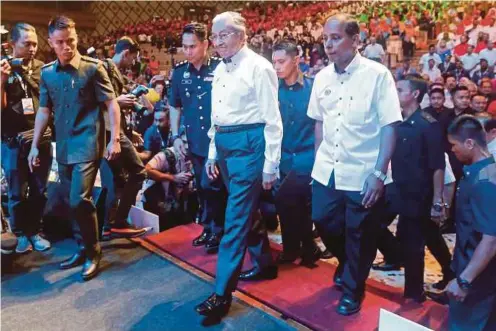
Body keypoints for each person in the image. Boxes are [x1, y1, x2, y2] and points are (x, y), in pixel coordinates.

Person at [308, 14, 402, 316]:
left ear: (355, 40)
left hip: (363, 172)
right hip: (327, 170)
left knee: (359, 234)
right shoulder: (321, 77)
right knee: (323, 221)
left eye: (335, 38)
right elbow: (319, 124)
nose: (328, 44)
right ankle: (349, 266)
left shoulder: (377, 75)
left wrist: (378, 173)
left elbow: (389, 126)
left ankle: (353, 289)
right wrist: (317, 162)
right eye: (325, 38)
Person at [195, 11, 283, 320]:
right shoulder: (219, 69)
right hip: (225, 144)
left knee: (234, 219)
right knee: (248, 212)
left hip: (249, 146)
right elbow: (216, 118)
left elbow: (273, 120)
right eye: (214, 36)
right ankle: (264, 264)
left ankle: (221, 294)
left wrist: (271, 165)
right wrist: (211, 153)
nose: (217, 41)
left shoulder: (261, 68)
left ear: (241, 36)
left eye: (223, 35)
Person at [28, 16, 120, 281]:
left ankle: (93, 252)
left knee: (80, 198)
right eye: (60, 42)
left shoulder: (93, 68)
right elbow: (44, 110)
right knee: (71, 201)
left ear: (77, 39)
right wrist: (35, 145)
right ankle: (82, 247)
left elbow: (111, 104)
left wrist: (114, 139)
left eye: (71, 41)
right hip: (64, 143)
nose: (67, 47)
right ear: (51, 43)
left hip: (89, 140)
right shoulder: (47, 73)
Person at [392, 76, 453, 302]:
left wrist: (438, 200)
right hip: (398, 188)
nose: (395, 93)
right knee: (429, 235)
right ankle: (450, 270)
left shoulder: (428, 124)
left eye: (400, 90)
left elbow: (437, 164)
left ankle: (414, 292)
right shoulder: (396, 119)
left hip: (420, 193)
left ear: (414, 94)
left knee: (414, 241)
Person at [169, 23, 226, 254]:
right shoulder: (180, 72)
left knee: (214, 186)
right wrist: (175, 136)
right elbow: (174, 106)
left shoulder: (220, 68)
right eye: (185, 46)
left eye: (193, 46)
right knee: (202, 189)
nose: (188, 51)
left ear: (205, 44)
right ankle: (208, 227)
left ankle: (219, 230)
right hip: (194, 141)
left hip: (217, 141)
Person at [0, 23, 52, 253]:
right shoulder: (3, 69)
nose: (32, 48)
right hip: (12, 141)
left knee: (40, 189)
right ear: (12, 44)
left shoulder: (43, 69)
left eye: (35, 44)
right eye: (26, 44)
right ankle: (20, 234)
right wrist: (2, 79)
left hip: (40, 139)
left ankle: (35, 231)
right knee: (17, 192)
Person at [271, 40, 322, 267]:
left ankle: (305, 248)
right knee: (287, 206)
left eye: (281, 61)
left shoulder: (313, 88)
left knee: (293, 201)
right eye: (274, 62)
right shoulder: (272, 89)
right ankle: (299, 249)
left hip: (306, 155)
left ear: (296, 60)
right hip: (281, 155)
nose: (277, 67)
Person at [445, 115, 496, 331]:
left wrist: (464, 281)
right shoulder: (480, 171)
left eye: (454, 145)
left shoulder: (484, 181)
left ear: (469, 143)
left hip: (478, 280)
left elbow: (491, 240)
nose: (452, 151)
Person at [99, 36, 147, 241]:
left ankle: (111, 224)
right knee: (138, 172)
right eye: (132, 58)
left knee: (119, 179)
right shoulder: (101, 68)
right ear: (126, 53)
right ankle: (117, 222)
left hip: (116, 131)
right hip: (109, 133)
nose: (133, 64)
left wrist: (129, 131)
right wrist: (117, 101)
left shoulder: (113, 71)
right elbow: (91, 101)